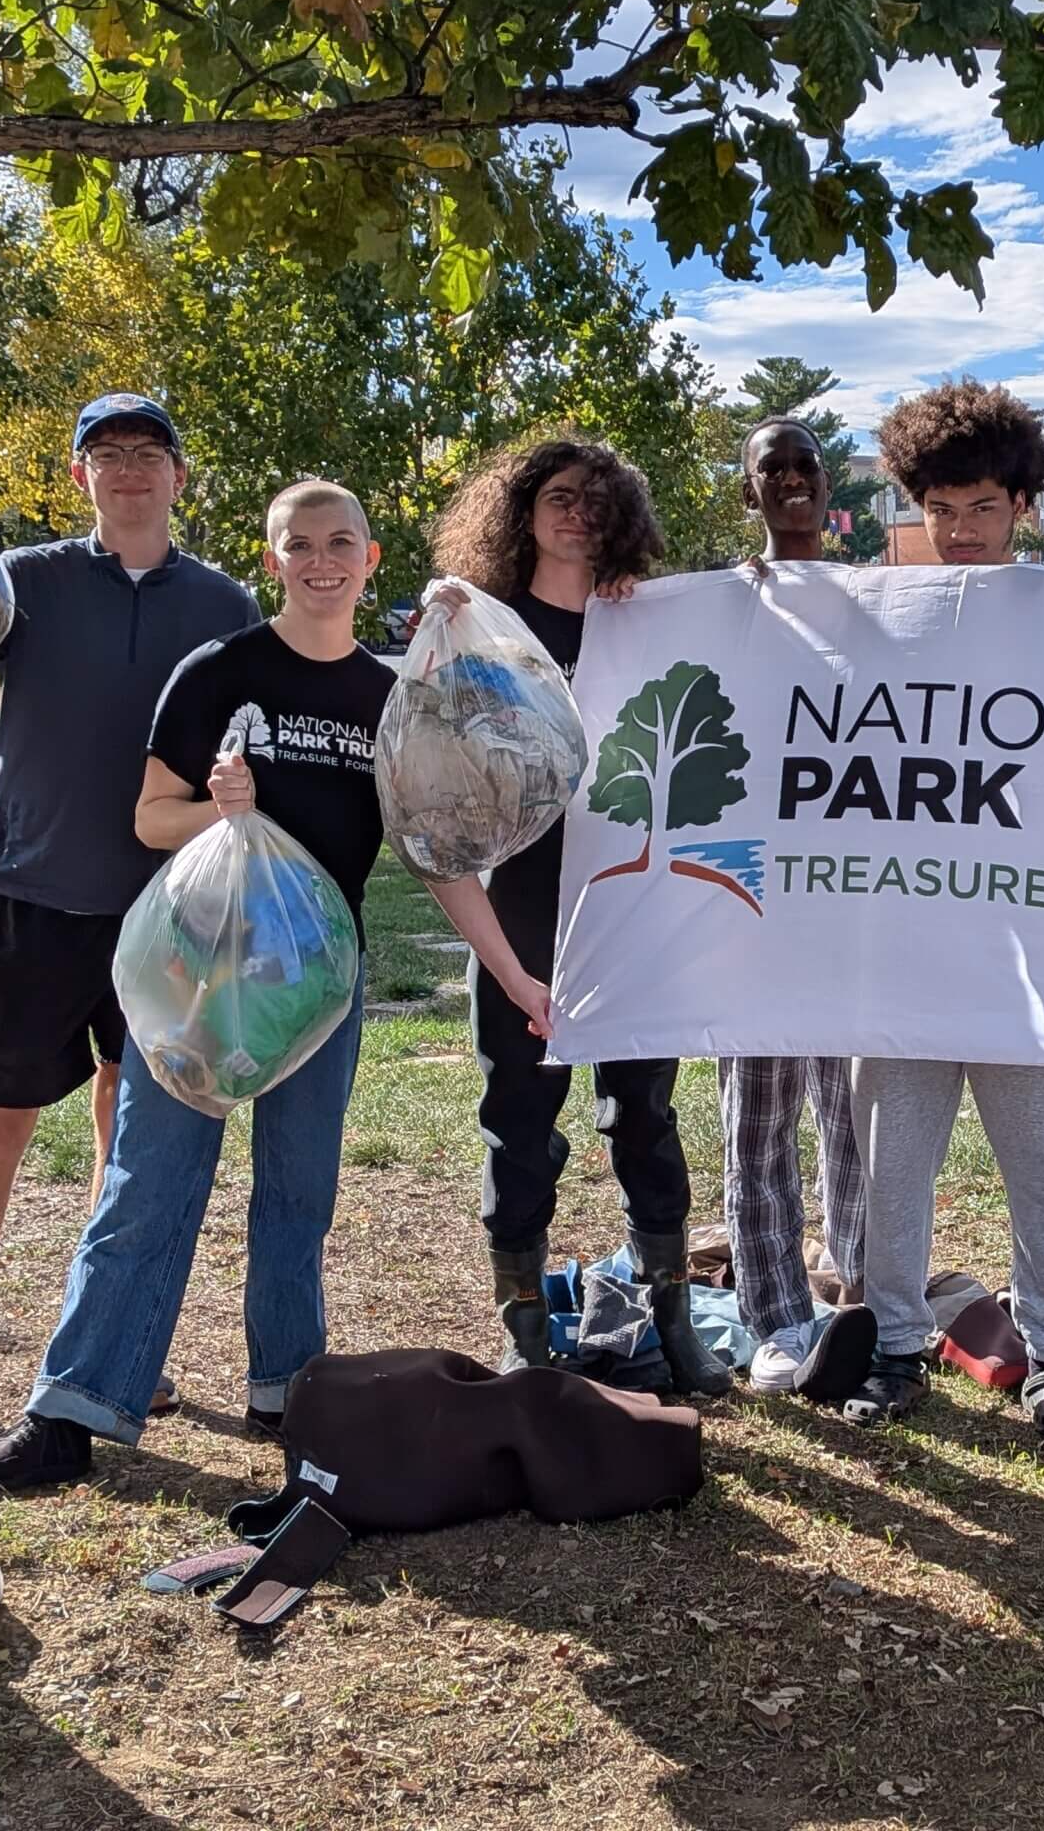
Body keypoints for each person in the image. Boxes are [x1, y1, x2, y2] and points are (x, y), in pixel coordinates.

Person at [0, 480, 550, 1490]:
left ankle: (290, 1394)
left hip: (317, 986)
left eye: (339, 542)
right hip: (203, 973)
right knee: (149, 1185)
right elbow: (150, 819)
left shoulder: (388, 698)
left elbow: (438, 855)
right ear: (274, 560)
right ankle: (73, 1412)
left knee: (298, 1198)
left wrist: (516, 974)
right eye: (299, 544)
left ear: (369, 556)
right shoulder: (220, 669)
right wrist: (225, 812)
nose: (320, 560)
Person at [0, 394, 259, 1457]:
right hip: (38, 898)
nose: (128, 469)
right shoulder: (25, 582)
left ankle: (107, 1344)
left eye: (148, 453)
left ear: (180, 477)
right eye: (105, 454)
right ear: (80, 476)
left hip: (170, 913)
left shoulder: (224, 603)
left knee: (134, 1134)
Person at [427, 438, 730, 1395]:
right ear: (520, 512)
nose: (576, 516)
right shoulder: (482, 629)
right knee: (517, 1118)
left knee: (643, 1109)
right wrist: (441, 628)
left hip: (631, 903)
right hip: (520, 903)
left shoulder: (647, 623)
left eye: (597, 502)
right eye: (558, 497)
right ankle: (525, 1331)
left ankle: (672, 1313)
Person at [842, 381, 1044, 1436]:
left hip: (1025, 947)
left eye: (982, 509)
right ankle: (895, 1345)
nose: (959, 531)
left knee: (1041, 1158)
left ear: (1022, 506)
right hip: (903, 942)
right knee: (891, 1160)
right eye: (940, 509)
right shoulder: (878, 613)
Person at [722, 418, 874, 1398]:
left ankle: (864, 1293)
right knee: (760, 1113)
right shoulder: (721, 605)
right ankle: (775, 1316)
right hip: (755, 894)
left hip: (860, 896)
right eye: (770, 469)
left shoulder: (877, 604)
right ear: (751, 493)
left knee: (857, 1113)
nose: (789, 481)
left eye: (804, 466)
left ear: (831, 489)